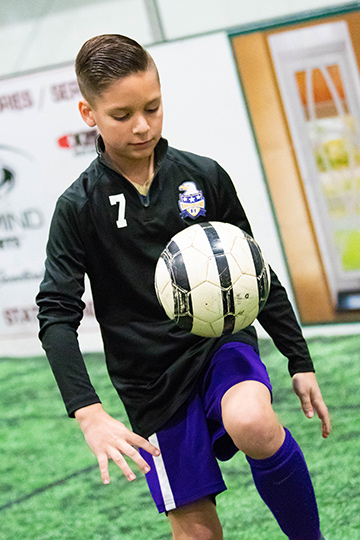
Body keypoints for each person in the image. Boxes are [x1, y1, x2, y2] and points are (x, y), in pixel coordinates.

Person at [36, 34, 331, 540]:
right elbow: (55, 314)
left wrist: (298, 359)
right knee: (197, 532)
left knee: (253, 422)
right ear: (89, 113)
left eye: (152, 107)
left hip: (219, 345)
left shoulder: (203, 177)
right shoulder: (78, 208)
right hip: (149, 381)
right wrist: (88, 413)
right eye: (122, 114)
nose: (143, 125)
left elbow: (253, 272)